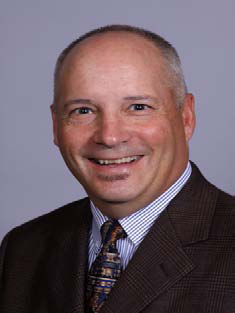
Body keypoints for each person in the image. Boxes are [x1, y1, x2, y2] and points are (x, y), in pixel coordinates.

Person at [0, 25, 234, 313]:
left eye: (138, 107)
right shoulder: (22, 250)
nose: (110, 137)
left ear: (186, 117)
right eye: (83, 111)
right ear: (55, 127)